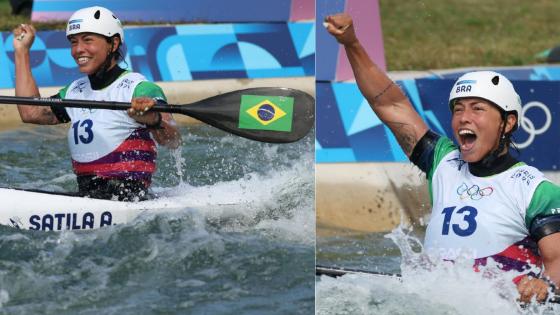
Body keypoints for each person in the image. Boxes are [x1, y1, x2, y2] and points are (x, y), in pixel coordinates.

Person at [325, 13, 560, 304]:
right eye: (458, 109)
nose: (464, 118)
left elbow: (557, 262)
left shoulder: (535, 189)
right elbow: (389, 103)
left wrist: (544, 286)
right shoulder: (443, 162)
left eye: (477, 109)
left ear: (508, 123)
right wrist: (352, 43)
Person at [13, 6, 181, 201]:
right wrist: (21, 51)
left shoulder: (139, 88)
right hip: (88, 198)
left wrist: (153, 118)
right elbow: (30, 112)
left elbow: (173, 139)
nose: (78, 50)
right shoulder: (75, 91)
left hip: (131, 199)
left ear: (113, 43)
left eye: (88, 40)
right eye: (74, 42)